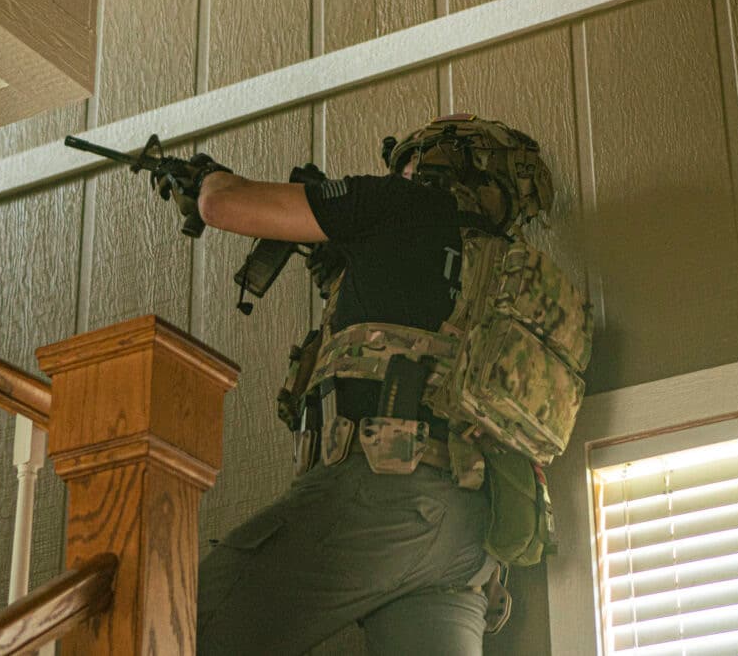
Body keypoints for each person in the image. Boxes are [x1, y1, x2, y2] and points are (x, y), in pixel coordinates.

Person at [169, 114, 581, 656]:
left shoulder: (397, 205)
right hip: (470, 538)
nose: (403, 172)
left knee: (176, 625)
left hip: (379, 497)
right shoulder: (513, 275)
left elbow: (223, 206)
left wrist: (206, 178)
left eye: (408, 163)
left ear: (434, 163)